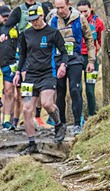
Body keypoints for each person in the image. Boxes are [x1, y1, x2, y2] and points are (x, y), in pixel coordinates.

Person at [15, 3, 70, 153]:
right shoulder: (26, 34)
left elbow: (64, 52)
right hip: (30, 75)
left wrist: (63, 65)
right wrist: (18, 72)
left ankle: (59, 124)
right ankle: (31, 143)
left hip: (48, 73)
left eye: (36, 19)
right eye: (31, 20)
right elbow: (22, 55)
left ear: (42, 16)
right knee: (27, 109)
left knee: (47, 103)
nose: (34, 22)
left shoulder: (53, 32)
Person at [1, 0, 55, 129]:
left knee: (44, 88)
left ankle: (42, 116)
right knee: (26, 85)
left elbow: (53, 23)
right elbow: (7, 25)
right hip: (26, 50)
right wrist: (4, 33)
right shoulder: (19, 10)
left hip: (43, 51)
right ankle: (27, 118)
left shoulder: (43, 7)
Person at [49, 0, 95, 134]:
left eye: (62, 7)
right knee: (60, 92)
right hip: (58, 60)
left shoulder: (79, 18)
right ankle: (61, 124)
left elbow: (89, 38)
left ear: (68, 4)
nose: (60, 11)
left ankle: (77, 124)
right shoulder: (53, 20)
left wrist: (91, 60)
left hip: (75, 58)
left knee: (75, 89)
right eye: (57, 8)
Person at [76, 0, 104, 119]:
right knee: (77, 89)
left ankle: (91, 116)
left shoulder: (98, 22)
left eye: (85, 11)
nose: (83, 14)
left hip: (91, 59)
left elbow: (102, 41)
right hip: (77, 58)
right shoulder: (75, 21)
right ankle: (79, 117)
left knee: (90, 90)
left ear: (91, 9)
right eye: (80, 12)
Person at [0, 5, 23, 130]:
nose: (6, 19)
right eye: (3, 16)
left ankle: (7, 120)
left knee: (9, 92)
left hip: (10, 63)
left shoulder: (15, 29)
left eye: (8, 16)